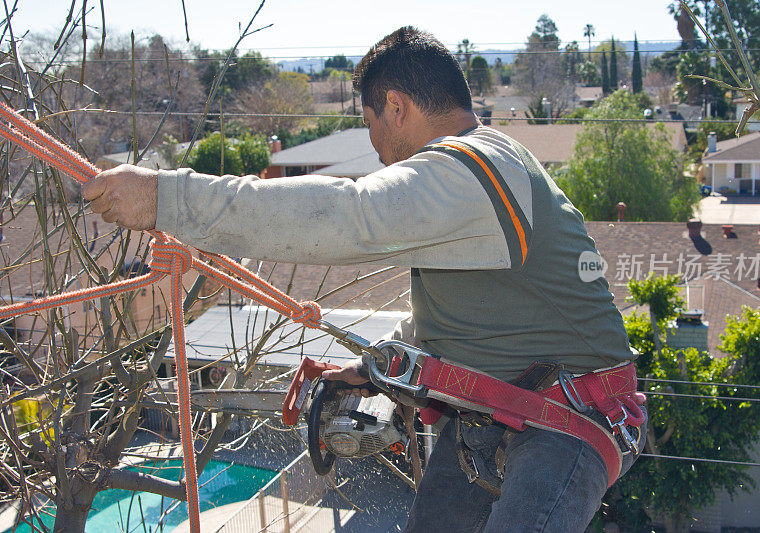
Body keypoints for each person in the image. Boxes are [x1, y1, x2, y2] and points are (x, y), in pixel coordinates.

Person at [83, 26, 645, 532]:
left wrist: (167, 197)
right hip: (502, 406)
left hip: (570, 415)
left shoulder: (472, 169)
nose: (376, 149)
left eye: (371, 123)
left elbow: (350, 217)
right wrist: (378, 367)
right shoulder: (473, 177)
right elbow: (473, 313)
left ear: (396, 107)